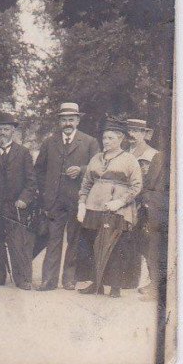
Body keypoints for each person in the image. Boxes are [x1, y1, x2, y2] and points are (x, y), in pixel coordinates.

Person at [35, 102, 99, 291]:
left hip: (77, 199)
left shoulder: (89, 142)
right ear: (59, 122)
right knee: (53, 239)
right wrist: (45, 192)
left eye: (71, 119)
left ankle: (69, 279)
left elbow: (97, 168)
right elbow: (39, 169)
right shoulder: (49, 142)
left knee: (74, 239)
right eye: (64, 119)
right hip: (54, 201)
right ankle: (48, 280)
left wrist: (81, 170)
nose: (68, 123)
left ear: (78, 120)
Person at [77, 117, 143, 297]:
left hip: (116, 209)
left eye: (110, 138)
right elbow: (86, 182)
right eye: (104, 138)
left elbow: (136, 186)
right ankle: (95, 284)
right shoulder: (96, 158)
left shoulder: (129, 159)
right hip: (93, 207)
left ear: (121, 138)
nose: (106, 141)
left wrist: (120, 202)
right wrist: (82, 203)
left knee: (115, 246)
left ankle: (115, 286)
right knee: (92, 244)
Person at [0, 111, 37, 290]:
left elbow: (31, 181)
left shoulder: (23, 153)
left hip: (15, 206)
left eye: (6, 129)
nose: (2, 133)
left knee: (18, 243)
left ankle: (22, 278)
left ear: (13, 131)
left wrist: (24, 199)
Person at [127, 118, 167, 302]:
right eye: (130, 131)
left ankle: (153, 282)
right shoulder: (125, 153)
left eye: (137, 131)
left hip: (144, 203)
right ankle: (129, 279)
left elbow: (152, 184)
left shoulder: (153, 155)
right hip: (126, 202)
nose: (132, 135)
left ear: (145, 134)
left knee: (149, 241)